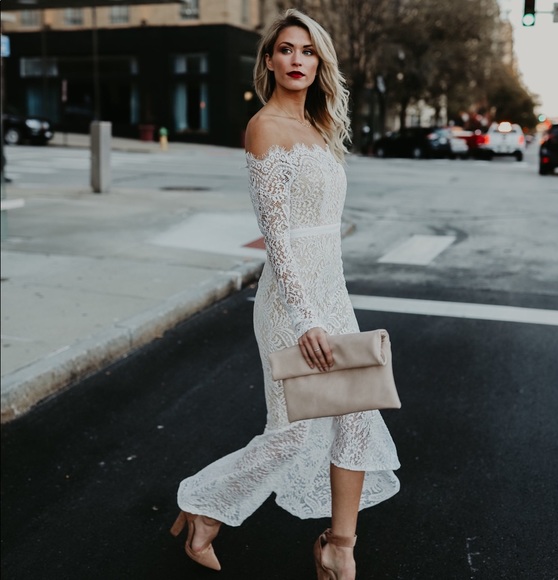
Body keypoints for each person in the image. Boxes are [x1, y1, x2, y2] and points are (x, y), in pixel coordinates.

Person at [171, 9, 400, 579]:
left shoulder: (321, 128)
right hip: (291, 304)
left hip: (332, 295)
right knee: (294, 431)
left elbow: (328, 232)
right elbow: (278, 239)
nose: (297, 60)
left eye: (308, 51)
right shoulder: (265, 127)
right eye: (286, 50)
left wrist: (333, 305)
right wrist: (305, 319)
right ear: (269, 61)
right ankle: (205, 505)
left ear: (319, 61)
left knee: (354, 417)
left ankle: (339, 547)